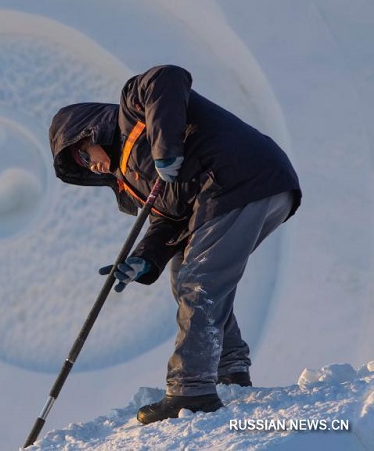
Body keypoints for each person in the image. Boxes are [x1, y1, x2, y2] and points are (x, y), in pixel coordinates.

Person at [48, 64, 301, 424]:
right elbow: (169, 220)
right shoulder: (135, 179)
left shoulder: (132, 114)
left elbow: (166, 77)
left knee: (200, 279)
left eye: (85, 156)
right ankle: (228, 366)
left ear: (90, 133)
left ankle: (191, 389)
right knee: (185, 270)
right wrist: (143, 260)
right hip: (253, 189)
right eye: (83, 168)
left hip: (237, 177)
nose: (92, 168)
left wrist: (166, 148)